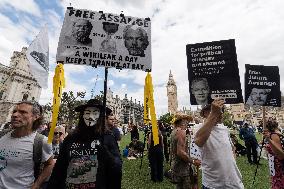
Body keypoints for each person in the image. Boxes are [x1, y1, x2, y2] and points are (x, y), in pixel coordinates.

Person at [47, 99, 122, 189]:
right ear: (82, 115)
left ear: (101, 116)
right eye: (87, 113)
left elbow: (117, 167)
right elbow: (59, 169)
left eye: (95, 113)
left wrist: (108, 155)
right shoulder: (71, 138)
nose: (90, 116)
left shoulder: (108, 138)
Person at [0, 101, 54, 189]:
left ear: (35, 117)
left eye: (23, 112)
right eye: (14, 111)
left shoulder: (41, 141)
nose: (15, 115)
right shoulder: (2, 136)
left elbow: (49, 164)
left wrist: (36, 185)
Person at [194, 99, 244, 189]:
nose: (221, 113)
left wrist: (230, 165)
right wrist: (214, 113)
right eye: (216, 109)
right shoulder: (198, 128)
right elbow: (198, 141)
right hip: (213, 185)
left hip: (234, 182)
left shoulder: (224, 128)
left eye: (222, 110)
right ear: (205, 112)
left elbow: (232, 148)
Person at [170, 113, 201, 189]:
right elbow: (180, 152)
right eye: (186, 120)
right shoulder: (181, 132)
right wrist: (193, 161)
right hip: (182, 168)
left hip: (176, 166)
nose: (188, 122)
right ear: (182, 121)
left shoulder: (174, 131)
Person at [263, 120, 284, 189]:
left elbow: (281, 156)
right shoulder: (277, 134)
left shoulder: (274, 135)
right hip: (275, 165)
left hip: (279, 166)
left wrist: (269, 140)